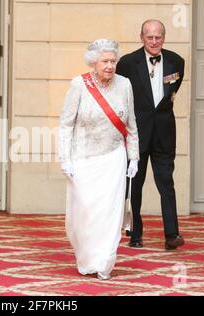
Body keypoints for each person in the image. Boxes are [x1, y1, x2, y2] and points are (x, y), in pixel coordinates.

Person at [59, 39, 139, 280]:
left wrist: (133, 158)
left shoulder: (125, 85)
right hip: (83, 158)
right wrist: (65, 159)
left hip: (114, 157)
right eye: (105, 61)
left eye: (113, 61)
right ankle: (86, 257)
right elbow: (65, 124)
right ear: (94, 62)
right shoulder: (79, 85)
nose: (110, 66)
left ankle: (104, 261)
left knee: (109, 214)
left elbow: (131, 125)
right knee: (84, 214)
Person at [116, 19, 185, 250]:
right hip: (137, 132)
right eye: (149, 37)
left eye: (158, 37)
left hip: (165, 133)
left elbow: (171, 93)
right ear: (141, 37)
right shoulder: (126, 63)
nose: (154, 41)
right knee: (134, 184)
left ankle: (172, 235)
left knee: (166, 182)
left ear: (163, 37)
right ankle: (135, 233)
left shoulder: (177, 61)